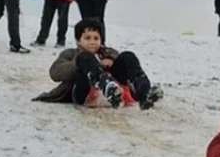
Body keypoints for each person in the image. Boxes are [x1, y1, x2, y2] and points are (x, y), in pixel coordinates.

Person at [33, 18, 162, 109]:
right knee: (85, 58)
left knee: (128, 56)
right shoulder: (72, 54)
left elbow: (122, 66)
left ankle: (144, 91)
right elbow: (55, 72)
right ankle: (104, 84)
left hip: (116, 91)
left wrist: (111, 63)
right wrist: (81, 64)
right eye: (87, 38)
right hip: (84, 92)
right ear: (78, 40)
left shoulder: (108, 52)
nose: (92, 42)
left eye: (96, 38)